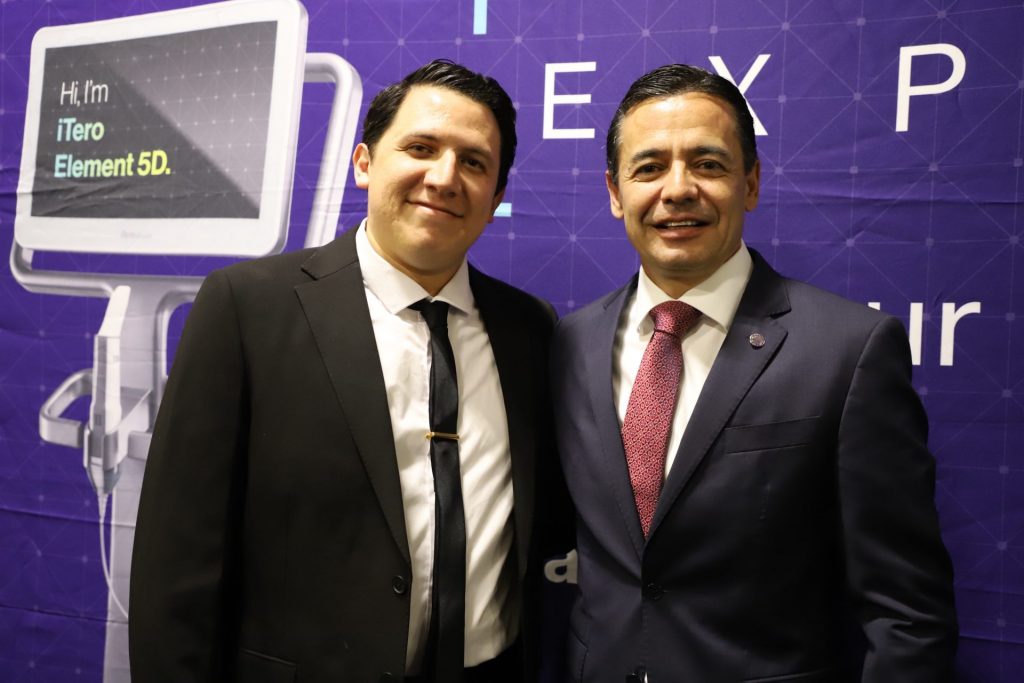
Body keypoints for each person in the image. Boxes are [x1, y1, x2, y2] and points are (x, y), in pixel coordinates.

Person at [129, 60, 564, 683]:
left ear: (495, 198)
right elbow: (177, 557)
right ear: (364, 163)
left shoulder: (530, 329)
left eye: (473, 162)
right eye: (421, 148)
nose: (445, 177)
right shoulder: (248, 308)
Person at [551, 64, 958, 682]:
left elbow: (907, 613)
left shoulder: (849, 351)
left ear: (751, 183)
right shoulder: (571, 342)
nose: (678, 189)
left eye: (708, 164)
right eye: (649, 167)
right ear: (615, 191)